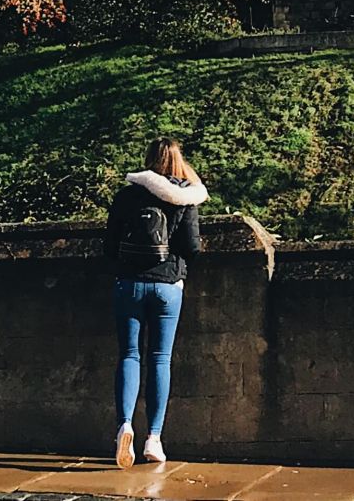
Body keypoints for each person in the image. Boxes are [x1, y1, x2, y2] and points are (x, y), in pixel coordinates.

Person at [102, 137, 206, 468]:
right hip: (167, 287)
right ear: (177, 161)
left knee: (129, 355)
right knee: (161, 359)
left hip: (129, 284)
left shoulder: (127, 195)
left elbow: (109, 245)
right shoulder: (185, 198)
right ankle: (155, 439)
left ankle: (124, 426)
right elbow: (191, 247)